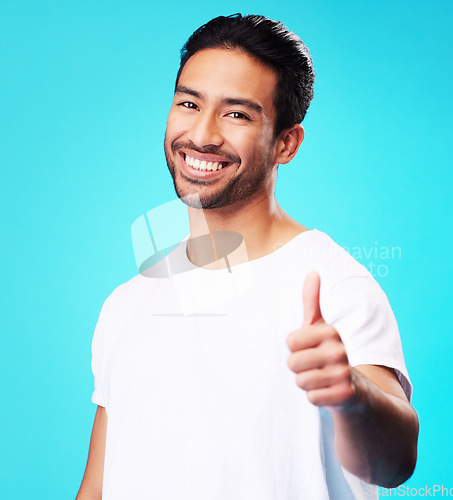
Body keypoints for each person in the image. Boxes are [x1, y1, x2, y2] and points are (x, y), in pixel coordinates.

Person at [76, 14, 419, 500]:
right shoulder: (127, 303)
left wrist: (352, 396)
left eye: (237, 114)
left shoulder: (336, 288)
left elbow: (395, 462)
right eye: (189, 103)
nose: (202, 134)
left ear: (286, 143)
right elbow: (97, 486)